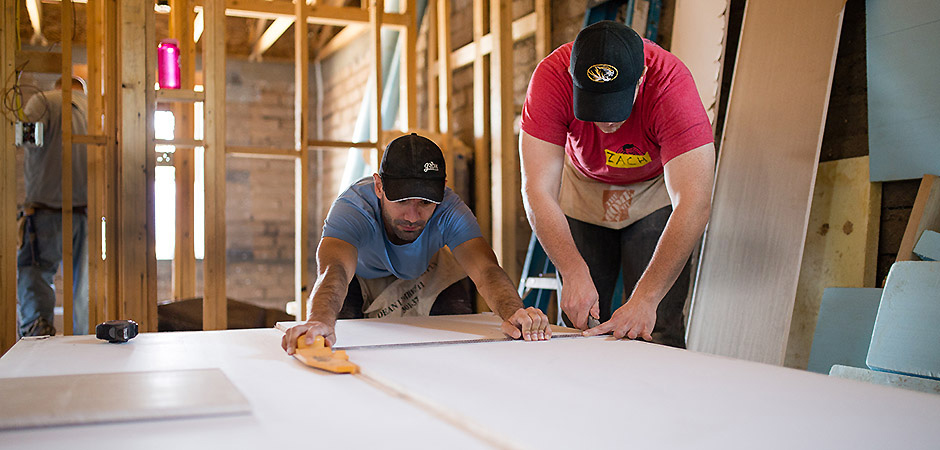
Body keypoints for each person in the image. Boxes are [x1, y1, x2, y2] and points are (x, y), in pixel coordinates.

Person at [519, 21, 716, 347]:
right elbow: (537, 190)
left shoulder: (671, 84)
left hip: (651, 191)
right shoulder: (550, 77)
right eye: (594, 107)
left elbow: (694, 203)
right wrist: (570, 269)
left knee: (656, 324)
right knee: (580, 322)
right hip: (583, 187)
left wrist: (646, 298)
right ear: (572, 77)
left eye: (616, 107)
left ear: (641, 79)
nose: (607, 121)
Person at [283, 133, 550, 353]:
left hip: (427, 270)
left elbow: (486, 270)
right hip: (361, 277)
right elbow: (335, 270)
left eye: (425, 203)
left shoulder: (450, 209)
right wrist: (318, 321)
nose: (412, 217)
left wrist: (516, 312)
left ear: (442, 189)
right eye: (401, 202)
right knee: (341, 336)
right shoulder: (353, 209)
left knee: (459, 339)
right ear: (378, 186)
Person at [16, 76, 89, 337]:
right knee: (83, 286)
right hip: (86, 215)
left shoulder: (44, 102)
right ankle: (84, 341)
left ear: (58, 86)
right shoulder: (98, 111)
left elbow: (24, 139)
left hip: (45, 211)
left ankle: (38, 335)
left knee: (34, 273)